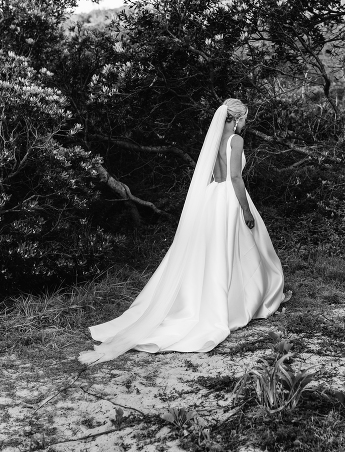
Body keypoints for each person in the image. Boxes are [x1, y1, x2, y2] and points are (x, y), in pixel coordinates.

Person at [78, 99, 285, 364]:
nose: (245, 124)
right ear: (235, 119)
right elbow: (235, 178)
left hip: (213, 198)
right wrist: (245, 209)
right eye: (244, 119)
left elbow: (213, 175)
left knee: (219, 252)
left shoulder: (213, 141)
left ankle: (238, 298)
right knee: (245, 247)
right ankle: (252, 300)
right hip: (230, 200)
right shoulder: (235, 141)